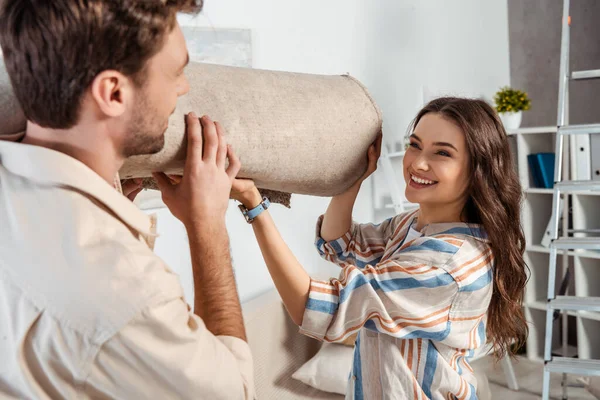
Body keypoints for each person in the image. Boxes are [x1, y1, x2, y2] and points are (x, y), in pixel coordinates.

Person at [0, 1, 254, 398]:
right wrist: (207, 226)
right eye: (177, 72)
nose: (184, 87)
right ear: (113, 92)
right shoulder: (128, 295)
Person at [231, 97, 529, 399]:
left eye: (442, 153)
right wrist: (354, 179)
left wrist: (255, 207)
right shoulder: (413, 225)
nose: (418, 163)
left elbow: (319, 308)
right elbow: (341, 243)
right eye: (415, 145)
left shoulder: (447, 265)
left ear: (477, 171)